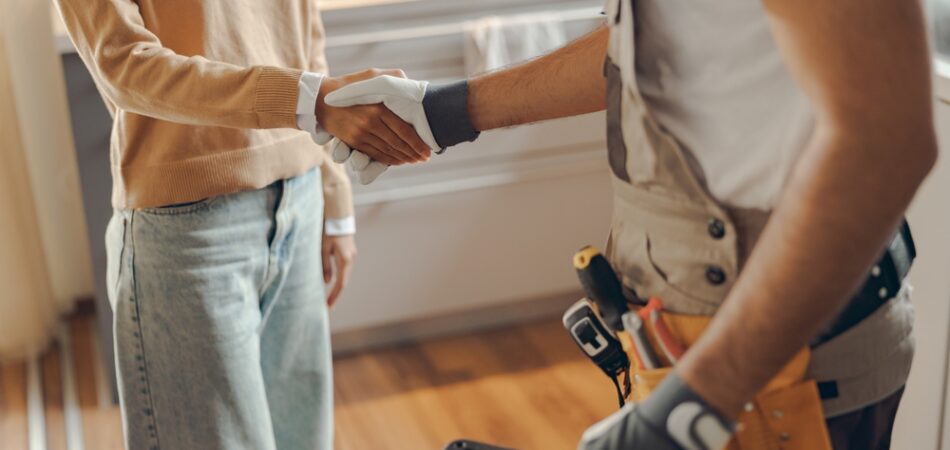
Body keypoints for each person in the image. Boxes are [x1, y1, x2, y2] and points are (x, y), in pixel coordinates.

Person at [324, 0, 937, 448]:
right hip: (697, 346)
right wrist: (445, 112)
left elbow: (886, 142)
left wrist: (698, 402)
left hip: (782, 370)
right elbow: (651, 44)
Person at [52, 0, 430, 448]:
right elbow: (125, 66)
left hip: (300, 198)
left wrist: (334, 196)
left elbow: (302, 36)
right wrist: (311, 101)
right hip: (187, 236)